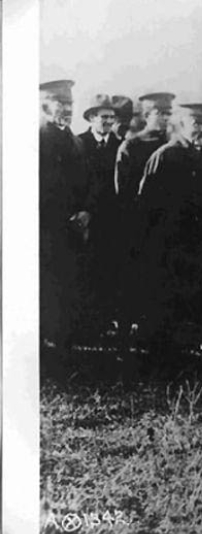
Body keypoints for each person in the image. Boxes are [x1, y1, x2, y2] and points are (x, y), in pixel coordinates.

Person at [137, 102, 202, 350]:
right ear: (182, 124)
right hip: (168, 245)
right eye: (196, 124)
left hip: (197, 244)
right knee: (165, 300)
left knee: (192, 299)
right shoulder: (165, 155)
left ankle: (188, 352)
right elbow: (146, 205)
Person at [114, 92, 175, 345]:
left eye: (169, 113)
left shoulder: (175, 147)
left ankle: (158, 338)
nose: (165, 118)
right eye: (161, 113)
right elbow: (123, 192)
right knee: (134, 283)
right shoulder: (132, 146)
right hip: (138, 226)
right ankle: (125, 339)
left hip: (167, 227)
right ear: (148, 115)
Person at [39, 79, 92, 354]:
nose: (67, 109)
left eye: (70, 104)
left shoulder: (76, 142)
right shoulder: (36, 138)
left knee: (68, 283)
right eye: (61, 103)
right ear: (45, 105)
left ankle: (63, 344)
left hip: (72, 230)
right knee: (45, 285)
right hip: (45, 229)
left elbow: (85, 183)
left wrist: (85, 211)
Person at [77, 94, 121, 331]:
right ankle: (85, 320)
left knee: (108, 266)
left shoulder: (120, 144)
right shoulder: (78, 142)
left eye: (112, 118)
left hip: (111, 218)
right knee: (85, 266)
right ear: (92, 118)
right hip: (86, 215)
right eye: (104, 117)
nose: (108, 122)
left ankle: (105, 318)